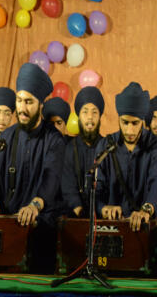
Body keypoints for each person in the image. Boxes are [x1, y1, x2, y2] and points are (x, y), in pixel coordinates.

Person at [0, 63, 65, 273]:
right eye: (19, 100)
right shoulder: (7, 137)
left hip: (40, 226)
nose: (22, 108)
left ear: (41, 104)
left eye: (29, 102)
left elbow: (51, 178)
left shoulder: (54, 139)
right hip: (9, 227)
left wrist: (35, 205)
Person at [95, 82, 157, 232]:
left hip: (145, 227)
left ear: (143, 121)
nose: (129, 130)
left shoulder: (156, 146)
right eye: (125, 122)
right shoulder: (106, 145)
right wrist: (103, 208)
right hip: (112, 227)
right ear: (118, 119)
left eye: (135, 123)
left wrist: (146, 210)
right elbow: (98, 187)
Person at [61, 86, 104, 217]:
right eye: (85, 112)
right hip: (76, 215)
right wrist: (79, 211)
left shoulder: (108, 148)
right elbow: (68, 187)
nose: (90, 117)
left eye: (94, 112)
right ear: (78, 116)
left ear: (100, 117)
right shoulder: (69, 148)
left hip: (103, 215)